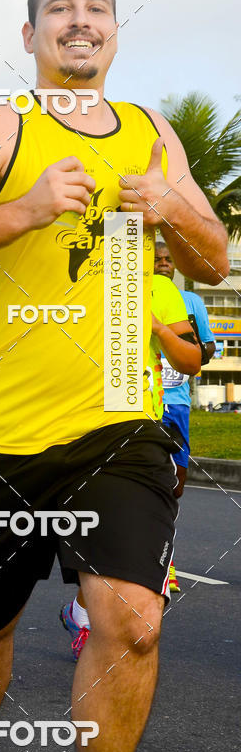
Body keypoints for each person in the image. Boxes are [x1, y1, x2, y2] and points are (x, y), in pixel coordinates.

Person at [0, 0, 229, 752]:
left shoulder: (151, 133)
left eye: (98, 7)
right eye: (62, 7)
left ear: (114, 30)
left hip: (117, 424)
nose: (81, 19)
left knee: (135, 623)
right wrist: (27, 207)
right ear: (31, 32)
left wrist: (175, 206)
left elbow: (212, 261)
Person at [61, 271, 201, 659]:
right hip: (72, 429)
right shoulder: (70, 272)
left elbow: (193, 360)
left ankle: (99, 620)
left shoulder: (161, 289)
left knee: (136, 581)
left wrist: (157, 327)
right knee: (98, 536)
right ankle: (81, 612)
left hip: (143, 430)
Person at [154, 241, 216, 589]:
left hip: (177, 403)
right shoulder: (135, 294)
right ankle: (165, 562)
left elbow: (207, 346)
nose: (164, 264)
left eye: (168, 260)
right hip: (142, 403)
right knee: (146, 482)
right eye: (157, 259)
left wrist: (185, 347)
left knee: (175, 486)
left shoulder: (190, 302)